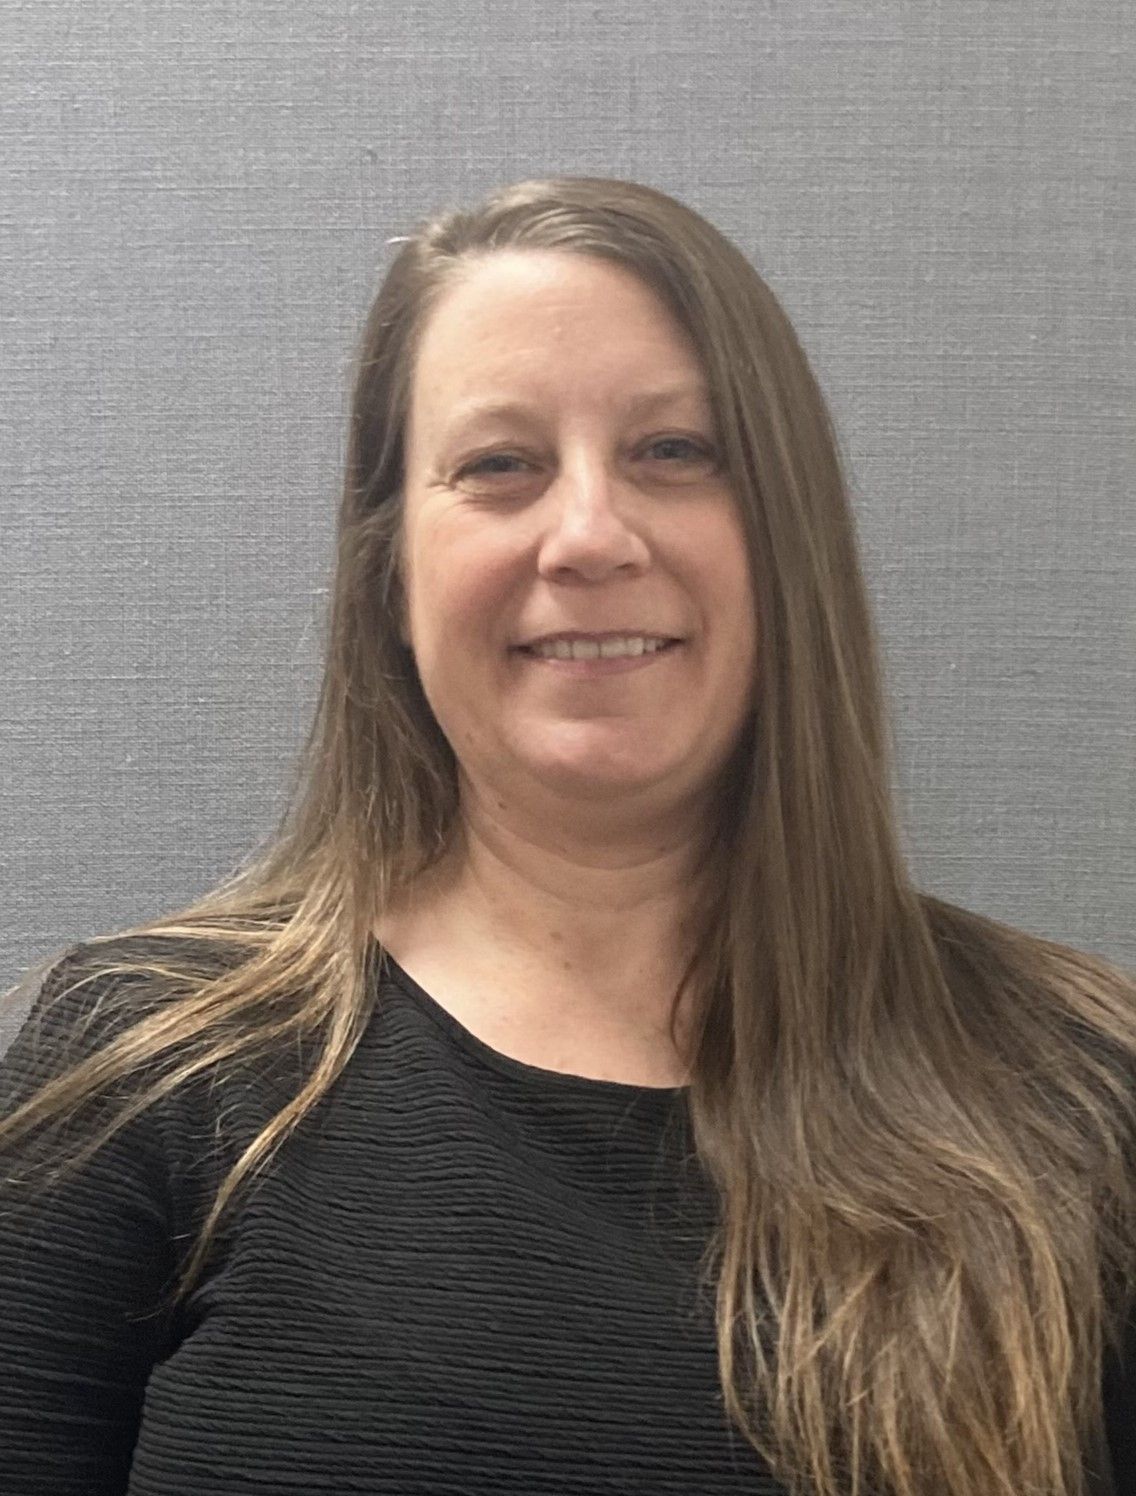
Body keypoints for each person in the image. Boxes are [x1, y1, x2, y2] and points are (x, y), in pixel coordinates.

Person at [1, 175, 1133, 1496]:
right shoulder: (142, 1070)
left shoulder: (1079, 1092)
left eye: (675, 452)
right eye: (500, 466)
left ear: (790, 543)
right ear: (391, 576)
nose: (590, 534)